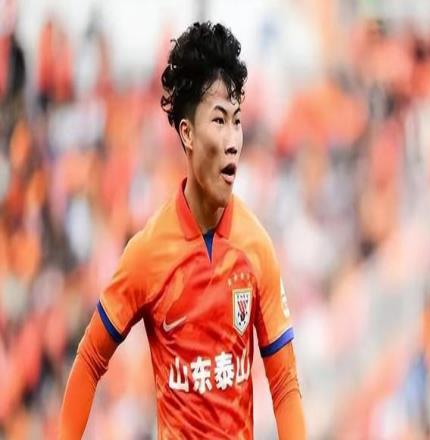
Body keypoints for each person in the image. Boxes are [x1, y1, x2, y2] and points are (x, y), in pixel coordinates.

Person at [59, 22, 306, 439]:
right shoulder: (148, 253)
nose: (233, 140)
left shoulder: (256, 248)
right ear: (187, 133)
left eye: (237, 121)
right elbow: (89, 360)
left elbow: (283, 383)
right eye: (219, 120)